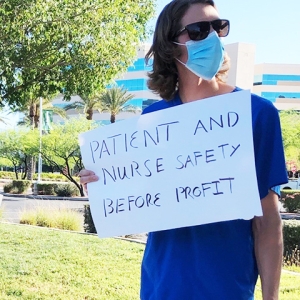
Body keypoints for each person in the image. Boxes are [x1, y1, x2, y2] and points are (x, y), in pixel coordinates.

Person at [79, 0, 288, 299]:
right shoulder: (152, 120)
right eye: (199, 30)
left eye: (219, 27)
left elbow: (267, 222)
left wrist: (271, 297)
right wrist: (104, 183)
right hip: (161, 287)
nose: (214, 37)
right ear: (171, 44)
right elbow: (141, 197)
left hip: (228, 290)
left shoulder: (257, 114)